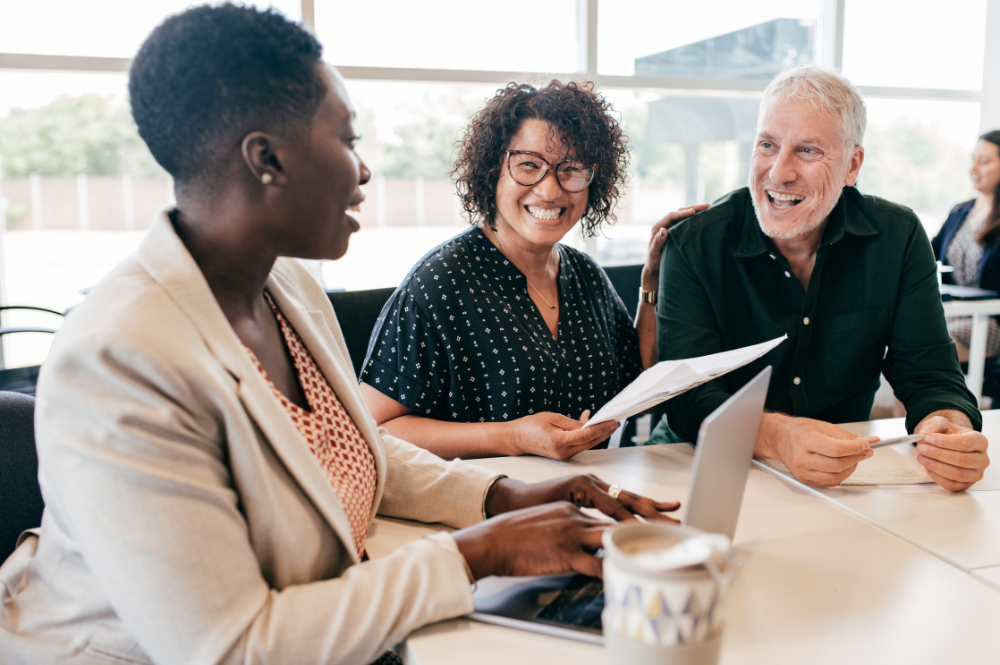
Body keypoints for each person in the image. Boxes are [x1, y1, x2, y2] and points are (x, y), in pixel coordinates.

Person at [0, 7, 680, 665]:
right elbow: (233, 646)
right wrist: (481, 551)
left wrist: (504, 497)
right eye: (347, 140)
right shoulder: (118, 357)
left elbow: (351, 444)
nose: (362, 171)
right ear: (267, 158)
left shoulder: (286, 285)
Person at [651, 65, 990, 492]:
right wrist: (779, 437)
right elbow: (688, 397)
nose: (778, 172)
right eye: (767, 145)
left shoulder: (898, 237)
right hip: (700, 460)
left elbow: (930, 375)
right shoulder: (695, 244)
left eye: (808, 151)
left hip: (842, 472)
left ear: (852, 165)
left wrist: (949, 429)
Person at [360, 81, 706, 460]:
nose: (550, 190)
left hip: (587, 495)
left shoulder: (584, 275)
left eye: (570, 169)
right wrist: (511, 437)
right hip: (485, 505)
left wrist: (652, 281)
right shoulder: (439, 284)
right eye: (529, 165)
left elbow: (638, 375)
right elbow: (376, 430)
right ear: (493, 170)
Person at [932, 131, 1000, 363]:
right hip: (954, 312)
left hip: (991, 320)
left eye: (984, 161)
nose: (974, 169)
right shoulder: (960, 212)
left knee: (931, 347)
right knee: (904, 341)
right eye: (973, 160)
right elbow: (925, 254)